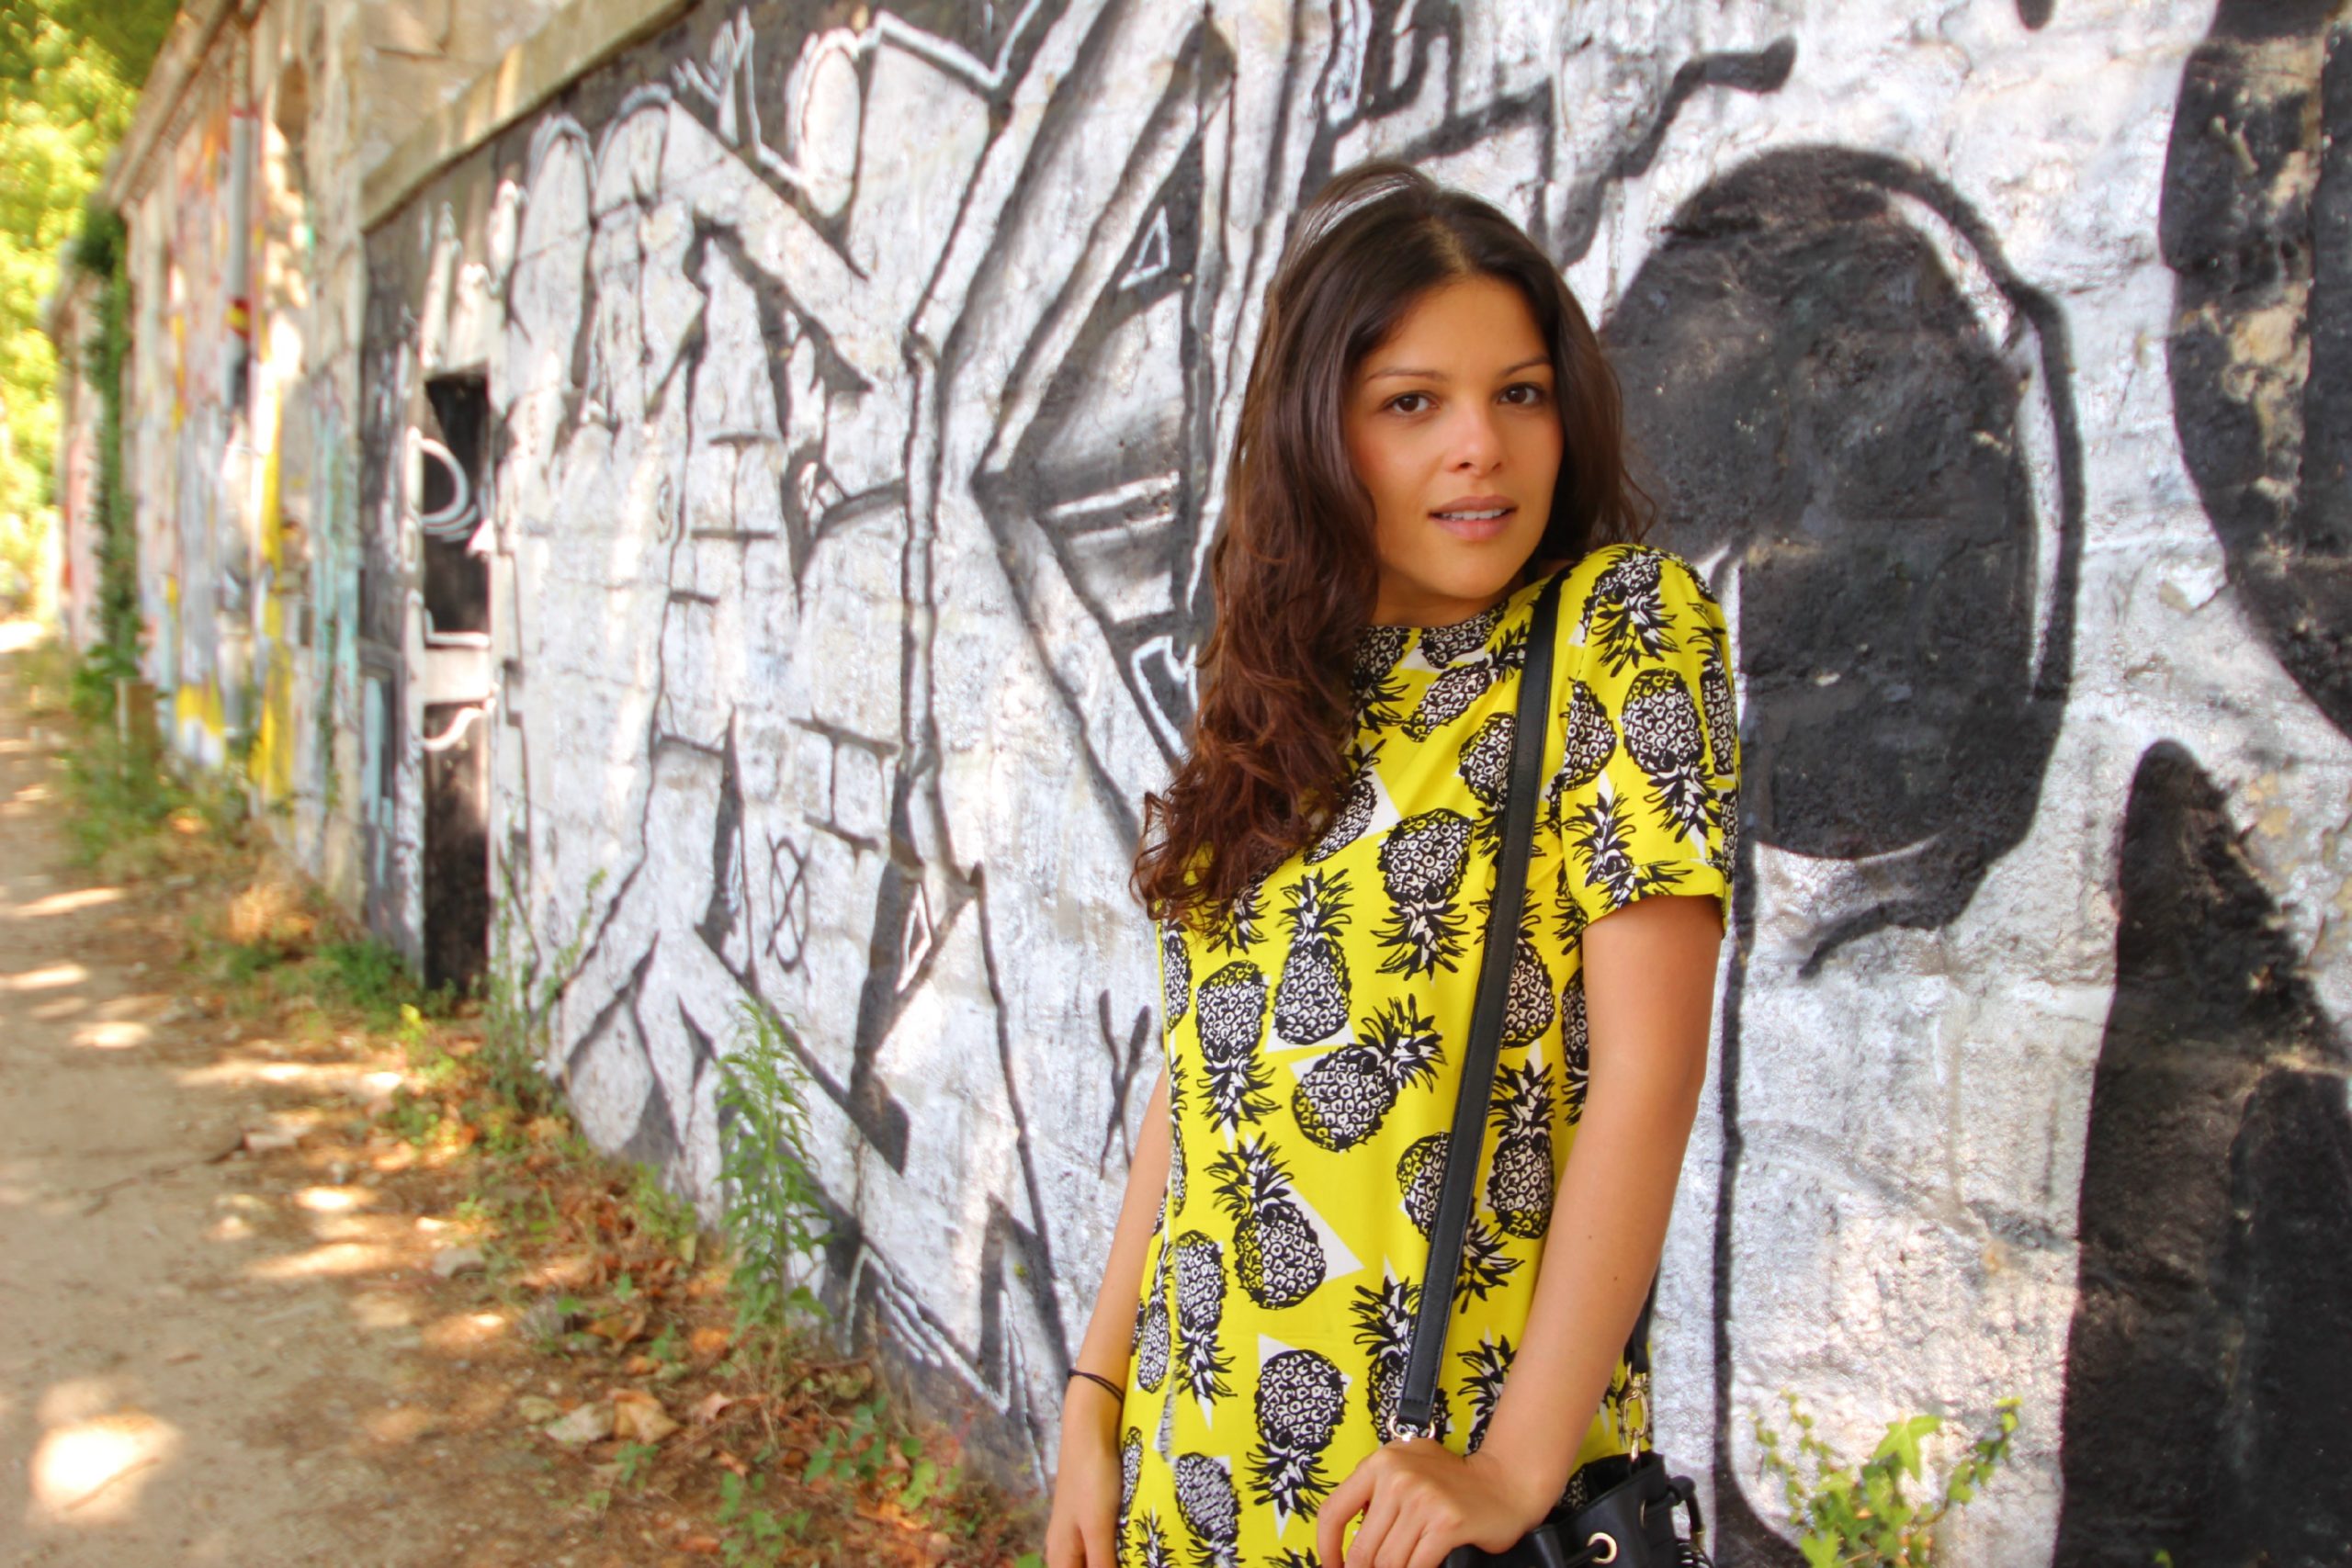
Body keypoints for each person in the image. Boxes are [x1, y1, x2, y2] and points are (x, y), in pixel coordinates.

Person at [1044, 159, 1742, 1568]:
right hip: (1191, 1471)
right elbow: (1204, 1080)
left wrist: (1514, 1469)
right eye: (1412, 404)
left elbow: (1650, 1077)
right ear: (1318, 434)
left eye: (1521, 393)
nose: (1481, 445)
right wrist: (1094, 1398)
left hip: (1426, 1507)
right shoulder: (1278, 698)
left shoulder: (1616, 632)